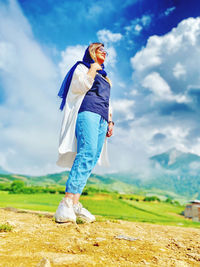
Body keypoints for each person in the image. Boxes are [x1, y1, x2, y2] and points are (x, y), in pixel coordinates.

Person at [54, 42, 114, 223]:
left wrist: (110, 120)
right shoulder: (82, 67)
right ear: (92, 52)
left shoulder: (106, 77)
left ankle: (75, 204)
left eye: (105, 50)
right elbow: (80, 87)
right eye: (100, 49)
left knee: (92, 158)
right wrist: (93, 68)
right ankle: (66, 203)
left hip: (102, 118)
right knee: (86, 153)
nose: (104, 52)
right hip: (87, 112)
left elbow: (107, 100)